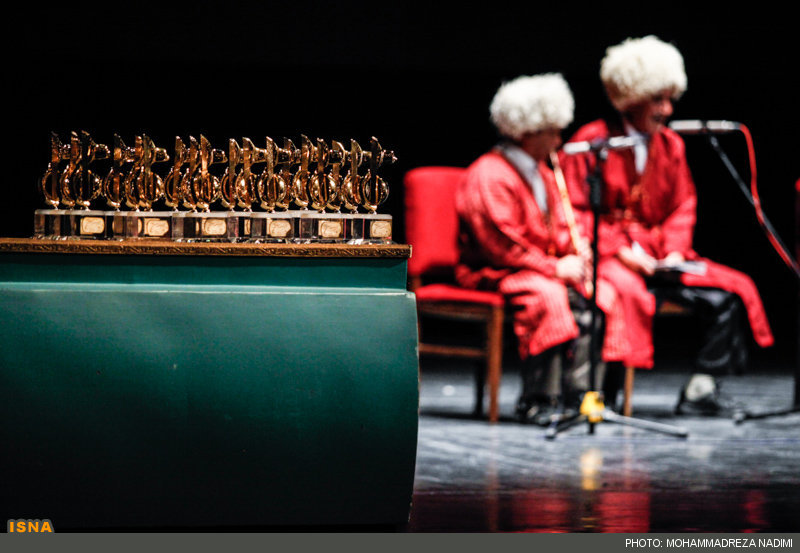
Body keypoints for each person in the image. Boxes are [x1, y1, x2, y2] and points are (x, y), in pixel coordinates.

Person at [562, 36, 774, 415]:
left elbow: (682, 206)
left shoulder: (672, 145)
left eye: (669, 99)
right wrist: (622, 252)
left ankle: (700, 391)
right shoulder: (593, 141)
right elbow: (575, 210)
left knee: (728, 293)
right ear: (632, 98)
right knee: (624, 295)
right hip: (611, 255)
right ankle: (607, 394)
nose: (667, 109)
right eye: (657, 100)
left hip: (659, 255)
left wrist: (674, 251)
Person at [455, 73, 630, 425]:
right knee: (548, 297)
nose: (559, 140)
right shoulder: (489, 174)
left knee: (600, 294)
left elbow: (561, 227)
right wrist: (555, 268)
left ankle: (582, 395)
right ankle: (538, 400)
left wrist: (576, 251)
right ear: (527, 132)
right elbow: (502, 244)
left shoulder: (544, 173)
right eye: (552, 132)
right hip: (495, 271)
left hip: (537, 268)